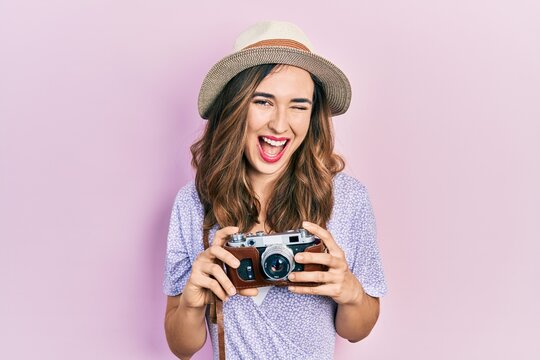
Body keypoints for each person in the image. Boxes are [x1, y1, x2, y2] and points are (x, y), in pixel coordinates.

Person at [163, 20, 387, 360]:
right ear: (234, 107)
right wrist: (193, 301)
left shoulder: (347, 198)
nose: (280, 125)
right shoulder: (194, 202)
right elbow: (181, 346)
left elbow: (355, 330)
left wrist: (351, 292)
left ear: (312, 116)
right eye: (263, 102)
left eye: (299, 106)